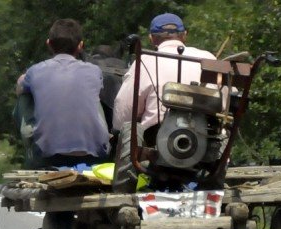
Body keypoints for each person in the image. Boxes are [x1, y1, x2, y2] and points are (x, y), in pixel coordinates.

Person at [15, 18, 110, 168]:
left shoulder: (35, 71)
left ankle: (30, 152)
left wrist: (25, 81)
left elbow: (19, 88)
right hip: (94, 155)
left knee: (24, 95)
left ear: (49, 44)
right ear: (80, 46)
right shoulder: (94, 71)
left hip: (49, 156)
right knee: (92, 96)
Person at [112, 13, 216, 141]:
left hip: (154, 139)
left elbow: (124, 111)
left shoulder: (145, 61)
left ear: (151, 38)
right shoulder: (208, 58)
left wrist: (118, 128)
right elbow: (226, 102)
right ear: (184, 35)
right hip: (205, 137)